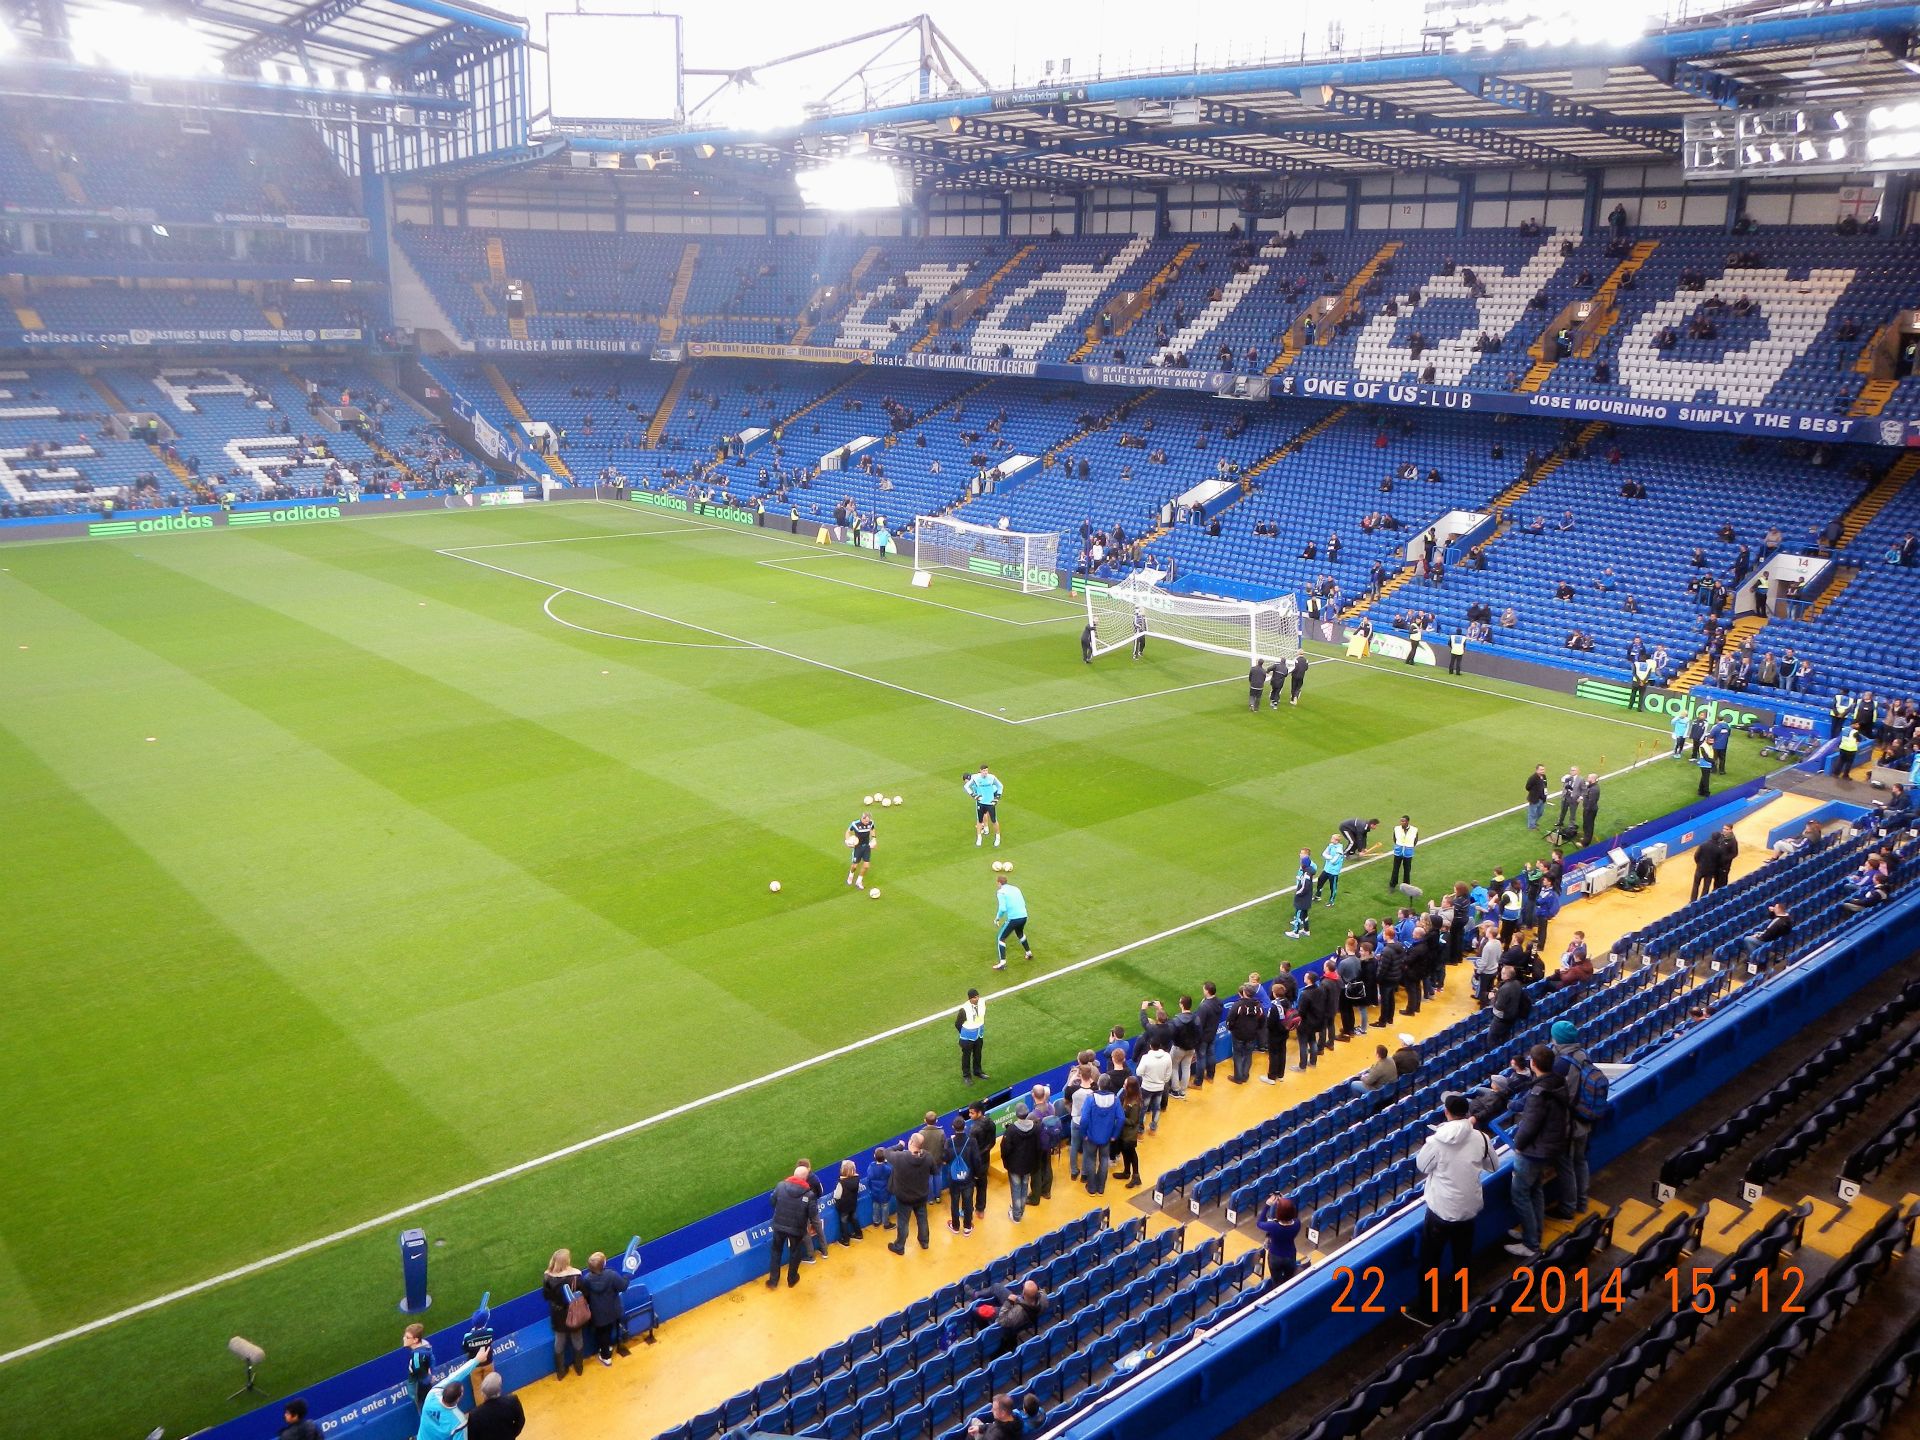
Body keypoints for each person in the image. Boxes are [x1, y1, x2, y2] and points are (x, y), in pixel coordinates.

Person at [1401, 1093, 1495, 1327]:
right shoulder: (1481, 1138)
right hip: (1468, 1210)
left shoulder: (1436, 1142)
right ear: (1467, 1112)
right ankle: (1459, 1306)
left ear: (1447, 1112)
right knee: (1462, 1260)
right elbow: (1493, 1166)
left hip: (1441, 1212)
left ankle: (1428, 1311)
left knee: (1430, 1263)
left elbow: (1422, 1166)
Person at [1505, 1045, 1570, 1261]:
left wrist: (1519, 1144)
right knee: (1535, 1190)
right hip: (1549, 1147)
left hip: (1534, 1151)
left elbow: (1530, 1125)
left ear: (1533, 1064)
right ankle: (1533, 1232)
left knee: (1521, 1194)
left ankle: (1531, 1243)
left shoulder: (1539, 1093)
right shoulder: (1558, 1083)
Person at [1548, 1021, 1604, 1219]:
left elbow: (1564, 1097)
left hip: (1570, 1124)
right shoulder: (1582, 1054)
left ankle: (1567, 1209)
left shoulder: (1562, 1064)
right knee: (1580, 1161)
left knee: (1566, 1167)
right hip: (1585, 1118)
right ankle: (1581, 1202)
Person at [418, 1347, 492, 1440]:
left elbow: (456, 1375)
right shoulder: (459, 1422)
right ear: (458, 1398)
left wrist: (476, 1360)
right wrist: (477, 1360)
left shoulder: (432, 1395)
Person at [881, 1132, 937, 1254]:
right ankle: (924, 1242)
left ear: (911, 1142)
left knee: (903, 1222)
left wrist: (899, 1146)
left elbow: (886, 1152)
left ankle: (899, 1247)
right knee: (922, 1219)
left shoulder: (900, 1157)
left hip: (904, 1198)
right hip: (921, 1196)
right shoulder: (928, 1157)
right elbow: (934, 1171)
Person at [768, 1164, 818, 1288]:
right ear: (805, 1178)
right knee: (795, 1252)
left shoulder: (780, 1186)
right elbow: (812, 1213)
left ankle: (773, 1280)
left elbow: (772, 1202)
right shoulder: (809, 1195)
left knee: (776, 1251)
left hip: (779, 1226)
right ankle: (792, 1279)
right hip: (797, 1229)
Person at [542, 1249, 588, 1379]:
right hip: (575, 1312)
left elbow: (546, 1296)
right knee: (577, 1338)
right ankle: (579, 1368)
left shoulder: (548, 1276)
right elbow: (584, 1293)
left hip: (558, 1314)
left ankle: (560, 1372)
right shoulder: (576, 1275)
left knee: (559, 1340)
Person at [581, 1250, 629, 1363]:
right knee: (607, 1331)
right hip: (613, 1310)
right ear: (603, 1265)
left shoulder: (587, 1279)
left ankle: (605, 1353)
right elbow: (623, 1286)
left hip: (598, 1313)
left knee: (602, 1333)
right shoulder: (611, 1275)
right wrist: (627, 1276)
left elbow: (586, 1295)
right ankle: (606, 1356)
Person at [1714, 901, 1792, 968]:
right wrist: (1772, 912)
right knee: (1756, 933)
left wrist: (1757, 936)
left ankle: (1753, 958)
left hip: (1770, 941)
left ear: (1778, 909)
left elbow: (1766, 936)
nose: (1774, 908)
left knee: (1747, 939)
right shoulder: (1787, 918)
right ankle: (1758, 955)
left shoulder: (1777, 922)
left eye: (1775, 908)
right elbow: (1772, 920)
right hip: (1777, 939)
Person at [1079, 1076, 1122, 1193]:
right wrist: (1114, 1135)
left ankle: (1091, 1188)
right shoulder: (1115, 1099)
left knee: (1091, 1160)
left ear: (1099, 1084)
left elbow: (1084, 1119)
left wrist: (1083, 1134)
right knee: (1104, 1160)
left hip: (1091, 1137)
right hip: (1106, 1137)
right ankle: (1101, 1188)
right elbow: (1121, 1119)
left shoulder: (1090, 1099)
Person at [1000, 1103, 1041, 1220]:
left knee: (1016, 1189)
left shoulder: (1011, 1130)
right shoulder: (1035, 1128)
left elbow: (1005, 1149)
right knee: (1024, 1187)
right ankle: (1020, 1211)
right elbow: (1038, 1147)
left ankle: (1017, 1215)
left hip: (1015, 1166)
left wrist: (1006, 1162)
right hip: (1028, 1164)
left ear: (1016, 1114)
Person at [1256, 1195, 1302, 1287]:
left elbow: (1259, 1223)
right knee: (1289, 1280)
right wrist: (1284, 1202)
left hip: (1275, 1256)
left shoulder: (1273, 1226)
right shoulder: (1297, 1223)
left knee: (1276, 1282)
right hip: (1290, 1254)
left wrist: (1267, 1205)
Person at [467, 1372, 527, 1440]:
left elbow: (472, 1437)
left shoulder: (475, 1415)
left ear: (482, 1393)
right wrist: (512, 1435)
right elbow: (521, 1421)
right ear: (500, 1388)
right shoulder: (512, 1401)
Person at [992, 872, 1033, 971]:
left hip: (1014, 918)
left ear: (999, 883)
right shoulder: (1016, 888)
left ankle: (1002, 963)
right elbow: (1022, 901)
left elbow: (1002, 908)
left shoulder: (1001, 892)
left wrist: (997, 918)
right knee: (1020, 933)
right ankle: (1028, 953)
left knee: (1001, 938)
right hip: (1024, 915)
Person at [1226, 983, 1265, 1083]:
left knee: (1238, 1055)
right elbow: (1262, 1022)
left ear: (1244, 992)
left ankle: (1238, 1078)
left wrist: (1231, 1028)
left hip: (1238, 1035)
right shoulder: (1259, 1006)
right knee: (1248, 1055)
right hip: (1252, 1035)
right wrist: (1256, 1030)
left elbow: (1230, 1019)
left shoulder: (1238, 1005)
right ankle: (1245, 1076)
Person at [1112, 1075, 1146, 1186]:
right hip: (1124, 1133)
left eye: (1125, 1084)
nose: (1123, 1086)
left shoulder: (1135, 1103)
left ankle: (1136, 1177)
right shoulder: (1128, 1097)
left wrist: (1120, 1117)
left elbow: (1133, 1121)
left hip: (1129, 1135)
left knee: (1131, 1154)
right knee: (1125, 1153)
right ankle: (1126, 1172)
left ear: (1130, 1088)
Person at [964, 765, 1006, 848]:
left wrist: (997, 797)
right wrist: (974, 796)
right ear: (980, 771)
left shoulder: (992, 777)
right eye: (983, 771)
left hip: (990, 803)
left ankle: (997, 838)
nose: (985, 772)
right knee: (979, 820)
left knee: (994, 820)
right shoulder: (975, 778)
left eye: (986, 770)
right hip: (981, 803)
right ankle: (979, 838)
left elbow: (1000, 786)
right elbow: (966, 786)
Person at [1262, 980, 1293, 1085]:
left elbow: (1270, 1022)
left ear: (1274, 993)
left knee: (1274, 1054)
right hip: (1285, 1032)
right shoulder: (1287, 1002)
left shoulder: (1273, 1006)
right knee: (1282, 1052)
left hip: (1274, 1034)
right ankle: (1280, 1075)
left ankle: (1271, 1077)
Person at [1194, 981, 1224, 1089]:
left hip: (1203, 1036)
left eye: (1204, 989)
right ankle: (1210, 1076)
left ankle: (1198, 1083)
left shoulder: (1204, 1006)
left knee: (1201, 1058)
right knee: (1211, 1054)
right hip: (1212, 1033)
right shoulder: (1219, 1002)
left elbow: (1199, 1024)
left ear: (1207, 991)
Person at [1489, 964, 1531, 1042]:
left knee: (1492, 1038)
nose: (1501, 974)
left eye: (1502, 973)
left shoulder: (1505, 988)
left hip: (1502, 1018)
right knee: (1505, 1036)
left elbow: (1499, 1006)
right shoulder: (1517, 983)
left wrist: (1492, 998)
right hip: (1513, 1015)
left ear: (1506, 975)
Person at [403, 1322, 434, 1419]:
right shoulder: (426, 1347)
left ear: (415, 1340)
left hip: (418, 1388)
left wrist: (428, 1378)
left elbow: (420, 1374)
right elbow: (432, 1361)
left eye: (407, 1337)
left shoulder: (416, 1357)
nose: (404, 1338)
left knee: (423, 1411)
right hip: (425, 1386)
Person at [957, 987, 987, 1083]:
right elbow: (958, 1024)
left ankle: (978, 1071)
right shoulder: (964, 1009)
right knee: (966, 1056)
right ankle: (966, 1076)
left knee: (978, 1054)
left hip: (979, 1034)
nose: (977, 999)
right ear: (970, 998)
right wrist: (964, 1033)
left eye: (978, 996)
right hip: (967, 1037)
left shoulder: (982, 1002)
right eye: (974, 997)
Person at [833, 1158, 865, 1244]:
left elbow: (836, 1196)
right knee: (854, 1217)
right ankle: (859, 1234)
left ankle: (846, 1240)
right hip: (853, 1203)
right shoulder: (857, 1178)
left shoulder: (841, 1183)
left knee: (843, 1221)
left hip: (843, 1206)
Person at [1287, 851, 1316, 939]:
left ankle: (1295, 932)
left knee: (1298, 913)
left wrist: (1298, 893)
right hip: (1307, 897)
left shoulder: (1307, 874)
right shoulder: (1308, 871)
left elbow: (1305, 886)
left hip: (1303, 898)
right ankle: (1306, 930)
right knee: (1304, 914)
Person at [845, 810, 876, 888]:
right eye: (866, 821)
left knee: (866, 866)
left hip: (867, 847)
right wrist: (848, 840)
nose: (867, 822)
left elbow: (872, 829)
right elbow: (848, 832)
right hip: (858, 847)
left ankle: (859, 881)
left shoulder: (871, 823)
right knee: (854, 866)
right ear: (862, 818)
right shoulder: (855, 824)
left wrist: (874, 838)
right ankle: (850, 875)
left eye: (868, 821)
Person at [1389, 815, 1419, 891]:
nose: (1401, 822)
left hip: (1408, 852)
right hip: (1398, 851)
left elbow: (1415, 840)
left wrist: (1409, 846)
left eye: (1403, 821)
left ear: (1407, 822)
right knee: (1395, 869)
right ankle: (1392, 885)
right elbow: (1394, 838)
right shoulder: (1396, 828)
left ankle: (1406, 886)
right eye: (1401, 821)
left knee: (1407, 870)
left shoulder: (1414, 830)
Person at [1318, 833, 1346, 904]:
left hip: (1333, 872)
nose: (1331, 839)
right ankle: (1318, 896)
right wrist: (1330, 857)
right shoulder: (1331, 845)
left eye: (1332, 838)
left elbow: (1334, 861)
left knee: (1332, 887)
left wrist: (1328, 857)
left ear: (1336, 841)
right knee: (1320, 880)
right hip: (1326, 869)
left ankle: (1331, 901)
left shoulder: (1339, 850)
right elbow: (1323, 854)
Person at [1525, 765, 1548, 831]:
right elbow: (1527, 787)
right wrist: (1534, 792)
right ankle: (1531, 826)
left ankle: (1534, 822)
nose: (1543, 771)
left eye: (1543, 769)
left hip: (1542, 798)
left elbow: (1545, 785)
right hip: (1534, 799)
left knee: (1540, 812)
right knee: (1532, 813)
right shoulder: (1533, 778)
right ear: (1537, 770)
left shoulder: (1544, 776)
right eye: (1541, 769)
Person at [1580, 773, 1601, 846]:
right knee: (1586, 824)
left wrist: (1587, 809)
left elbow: (1591, 802)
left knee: (1589, 825)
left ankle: (1585, 843)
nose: (1587, 779)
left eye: (1589, 778)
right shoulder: (1591, 786)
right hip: (1588, 809)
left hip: (1590, 810)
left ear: (1593, 779)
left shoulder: (1594, 789)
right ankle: (1585, 838)